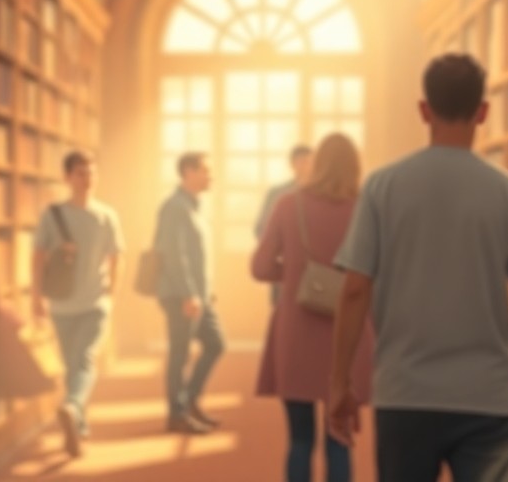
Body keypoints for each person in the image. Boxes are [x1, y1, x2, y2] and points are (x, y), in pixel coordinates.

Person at [328, 53, 508, 482]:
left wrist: (339, 382)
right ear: (483, 112)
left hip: (406, 393)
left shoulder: (383, 187)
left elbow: (355, 290)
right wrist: (499, 353)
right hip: (488, 398)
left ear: (424, 110)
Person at [252, 133, 373, 482]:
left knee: (300, 439)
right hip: (348, 336)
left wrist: (294, 277)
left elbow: (260, 268)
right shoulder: (366, 209)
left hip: (297, 332)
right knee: (340, 439)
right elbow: (380, 273)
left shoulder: (289, 205)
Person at [31, 151, 124, 458]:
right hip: (61, 305)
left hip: (95, 304)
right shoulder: (52, 214)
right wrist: (36, 297)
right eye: (81, 173)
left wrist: (112, 293)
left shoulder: (107, 216)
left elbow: (116, 256)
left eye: (92, 173)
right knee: (73, 366)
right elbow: (38, 256)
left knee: (84, 359)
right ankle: (78, 423)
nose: (88, 179)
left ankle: (71, 408)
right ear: (67, 177)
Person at [154, 151, 225, 435]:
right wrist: (188, 294)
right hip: (181, 295)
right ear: (188, 172)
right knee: (180, 354)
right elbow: (174, 255)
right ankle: (177, 414)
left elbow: (197, 255)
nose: (211, 176)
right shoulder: (174, 207)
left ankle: (189, 400)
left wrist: (207, 291)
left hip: (200, 294)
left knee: (216, 343)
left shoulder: (196, 205)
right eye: (205, 170)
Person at [255, 144, 314, 304]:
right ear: (292, 164)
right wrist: (275, 252)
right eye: (301, 161)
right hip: (283, 263)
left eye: (310, 161)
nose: (306, 166)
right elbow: (261, 227)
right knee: (281, 310)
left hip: (314, 267)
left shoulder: (320, 194)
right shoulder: (277, 193)